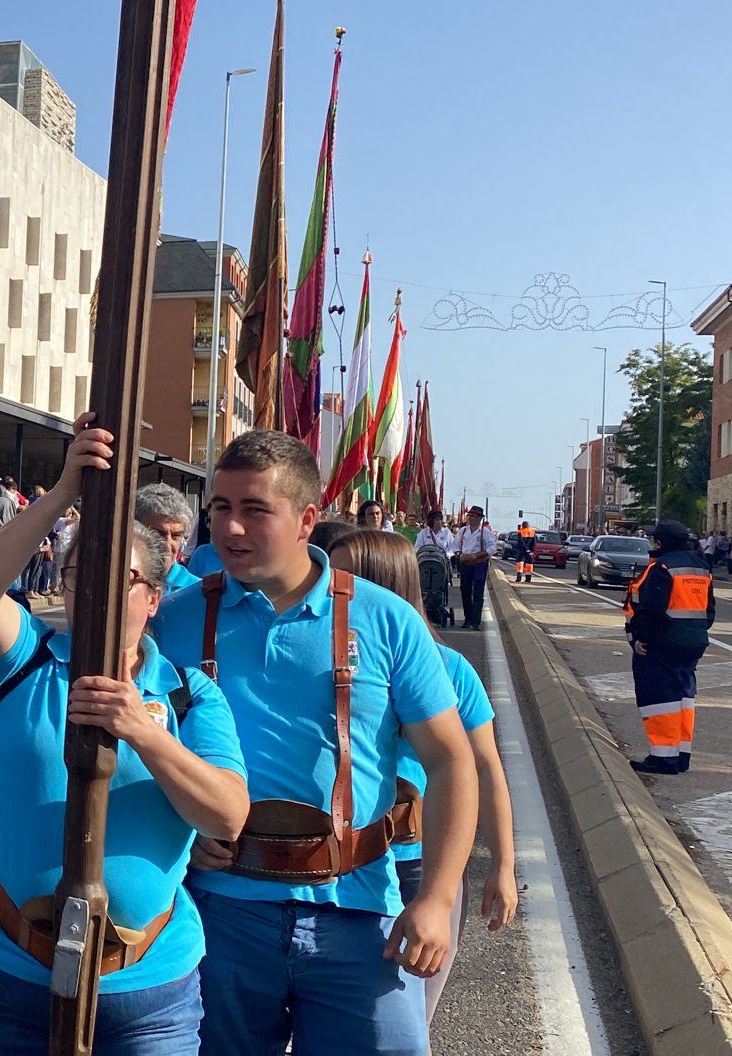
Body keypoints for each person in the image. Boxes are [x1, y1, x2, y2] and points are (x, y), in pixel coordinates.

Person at [155, 430, 475, 1056]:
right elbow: (142, 752)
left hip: (358, 908)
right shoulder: (176, 618)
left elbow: (451, 759)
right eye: (220, 508)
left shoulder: (384, 619)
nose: (232, 528)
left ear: (306, 520)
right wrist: (183, 837)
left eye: (254, 510)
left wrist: (436, 897)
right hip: (217, 912)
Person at [0, 416, 246, 1054]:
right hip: (2, 963)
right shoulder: (21, 658)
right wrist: (61, 494)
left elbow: (226, 815)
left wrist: (143, 730)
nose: (96, 593)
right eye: (80, 577)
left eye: (122, 580)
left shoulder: (189, 694)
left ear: (155, 598)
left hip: (146, 987)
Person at [328, 528, 518, 1022]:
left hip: (419, 864)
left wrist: (501, 866)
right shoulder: (318, 660)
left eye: (340, 574)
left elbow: (485, 769)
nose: (324, 584)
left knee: (405, 1021)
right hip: (336, 859)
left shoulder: (449, 669)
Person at [626, 520, 715, 775]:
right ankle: (681, 755)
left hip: (663, 643)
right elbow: (709, 611)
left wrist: (643, 639)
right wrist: (695, 630)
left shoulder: (662, 567)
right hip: (693, 642)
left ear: (660, 543)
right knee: (684, 697)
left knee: (660, 699)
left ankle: (663, 757)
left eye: (654, 539)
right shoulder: (701, 566)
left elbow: (654, 610)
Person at [136, 483, 201, 594]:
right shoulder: (115, 580)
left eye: (176, 535)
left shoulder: (198, 592)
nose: (167, 544)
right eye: (158, 534)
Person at [453, 506, 495, 629]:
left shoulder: (486, 533)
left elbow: (492, 548)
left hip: (479, 565)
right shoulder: (463, 531)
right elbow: (455, 546)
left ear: (479, 518)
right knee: (465, 591)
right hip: (465, 564)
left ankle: (476, 621)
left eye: (472, 516)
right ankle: (467, 619)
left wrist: (477, 555)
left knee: (478, 592)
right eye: (469, 516)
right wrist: (460, 555)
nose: (469, 518)